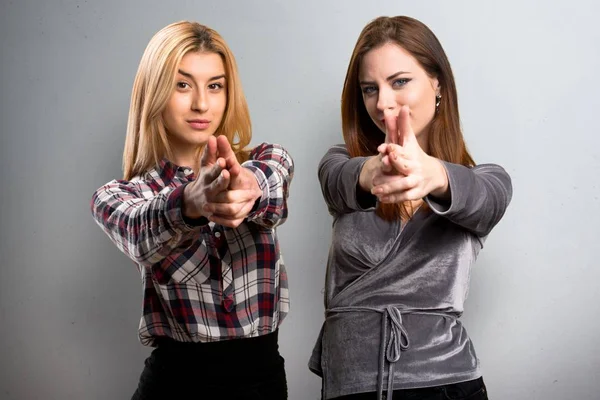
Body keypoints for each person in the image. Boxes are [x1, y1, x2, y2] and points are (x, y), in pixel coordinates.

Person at [309, 16, 512, 400]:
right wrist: (375, 171)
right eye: (370, 89)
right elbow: (341, 181)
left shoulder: (483, 180)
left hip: (446, 383)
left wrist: (432, 174)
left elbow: (487, 199)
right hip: (349, 385)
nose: (383, 103)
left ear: (437, 83)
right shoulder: (340, 165)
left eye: (399, 81)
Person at [90, 21, 293, 399]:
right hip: (175, 384)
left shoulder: (265, 159)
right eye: (183, 85)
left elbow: (273, 182)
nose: (201, 103)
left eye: (214, 85)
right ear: (155, 92)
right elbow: (139, 232)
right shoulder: (120, 196)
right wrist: (190, 203)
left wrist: (245, 188)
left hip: (263, 381)